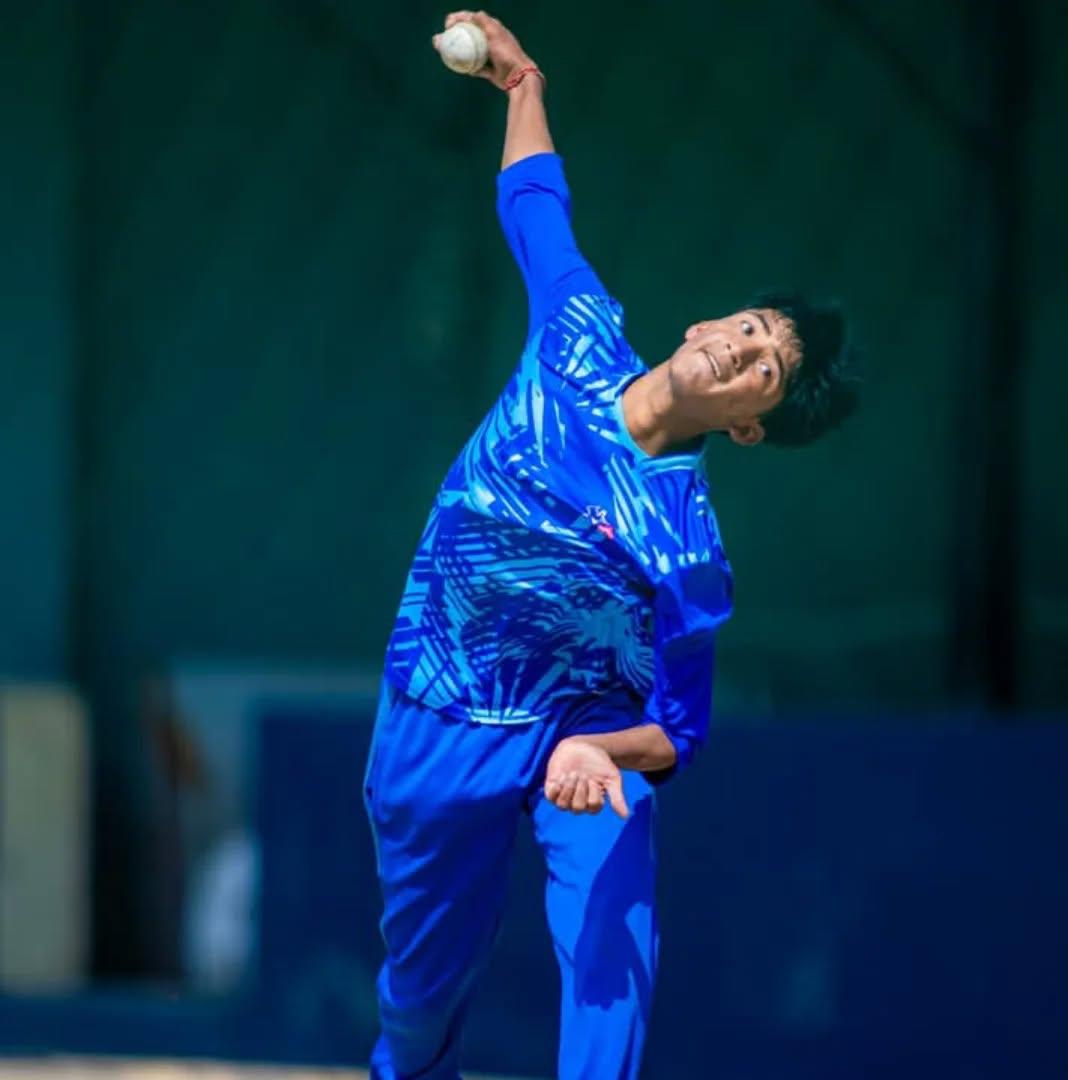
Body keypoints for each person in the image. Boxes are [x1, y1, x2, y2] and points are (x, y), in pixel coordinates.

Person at [364, 11, 860, 1079]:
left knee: (613, 895)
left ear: (748, 424)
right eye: (748, 328)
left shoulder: (687, 550)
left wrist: (599, 752)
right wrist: (522, 82)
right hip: (436, 709)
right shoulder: (579, 333)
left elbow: (681, 731)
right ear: (703, 325)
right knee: (416, 1007)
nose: (739, 348)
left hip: (571, 733)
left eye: (765, 368)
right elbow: (536, 205)